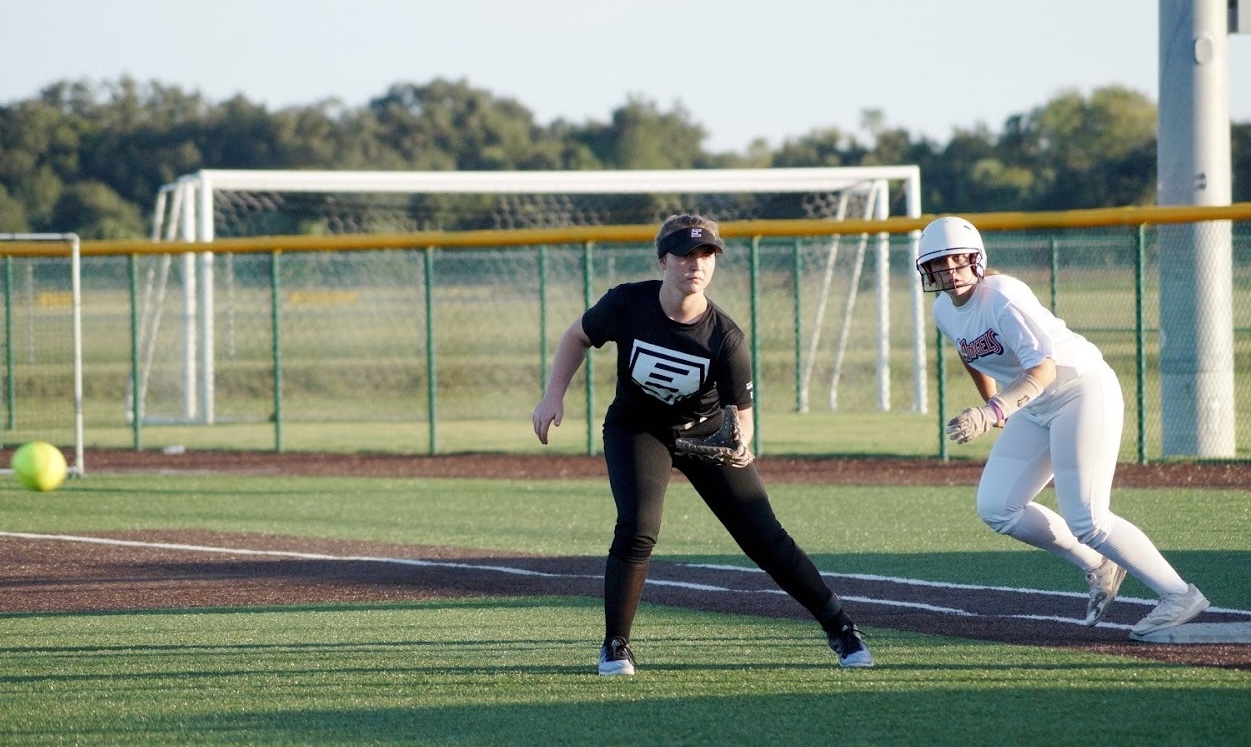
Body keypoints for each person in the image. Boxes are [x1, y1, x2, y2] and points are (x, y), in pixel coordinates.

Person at [532, 213, 873, 675]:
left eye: (707, 254)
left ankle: (842, 627)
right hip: (637, 428)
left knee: (765, 537)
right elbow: (578, 335)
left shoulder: (726, 338)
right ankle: (615, 645)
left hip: (704, 434)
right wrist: (553, 395)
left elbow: (744, 418)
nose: (697, 263)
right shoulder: (627, 303)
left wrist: (735, 444)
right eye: (686, 253)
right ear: (663, 260)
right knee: (637, 526)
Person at [915, 215, 1209, 640]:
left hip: (1080, 390)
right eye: (939, 265)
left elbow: (1044, 369)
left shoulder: (1003, 295)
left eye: (957, 261)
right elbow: (970, 353)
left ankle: (1179, 594)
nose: (949, 272)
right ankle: (1098, 565)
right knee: (997, 507)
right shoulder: (943, 309)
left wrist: (994, 411)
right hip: (1033, 403)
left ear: (977, 259)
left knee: (1088, 518)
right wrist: (992, 400)